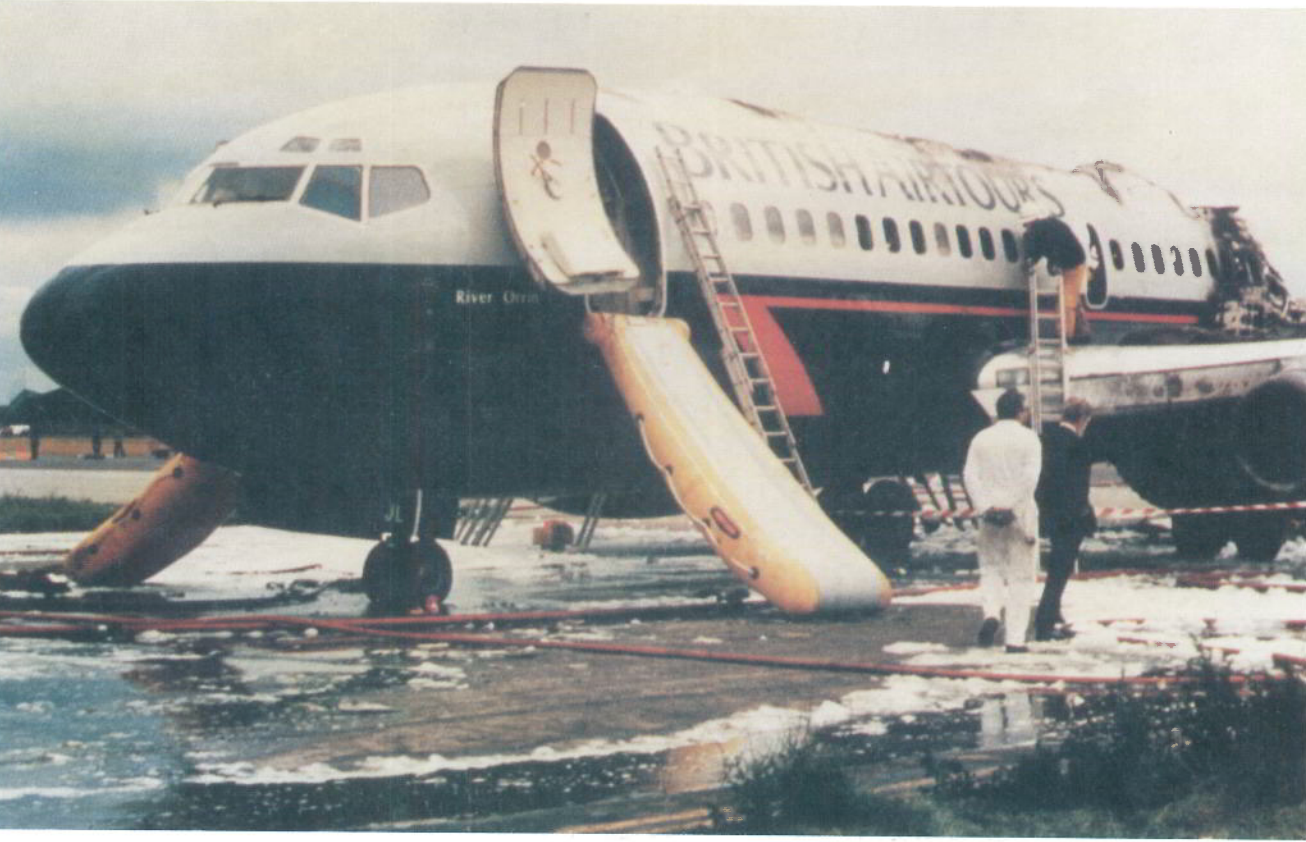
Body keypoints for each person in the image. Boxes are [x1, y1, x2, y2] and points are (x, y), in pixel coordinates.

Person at [963, 389, 1043, 652]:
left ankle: (991, 613)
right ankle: (1015, 639)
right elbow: (1029, 479)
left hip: (989, 516)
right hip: (1020, 514)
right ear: (1021, 410)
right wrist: (1009, 506)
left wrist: (986, 507)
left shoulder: (981, 438)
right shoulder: (1029, 439)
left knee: (991, 568)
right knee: (1021, 576)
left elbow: (970, 476)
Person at [1034, 398, 1095, 641]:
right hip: (1070, 518)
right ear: (1083, 419)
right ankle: (1045, 623)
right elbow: (1078, 487)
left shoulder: (1045, 440)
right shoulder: (1077, 445)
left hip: (1050, 514)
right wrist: (1084, 514)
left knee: (1056, 569)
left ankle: (1052, 613)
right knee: (1059, 572)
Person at [1022, 216, 1090, 343]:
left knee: (1066, 300)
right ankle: (1082, 332)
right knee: (1071, 296)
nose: (1026, 227)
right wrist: (1031, 260)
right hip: (1068, 261)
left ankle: (1066, 336)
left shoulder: (1050, 229)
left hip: (1074, 263)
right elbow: (1038, 250)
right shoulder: (1041, 230)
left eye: (1026, 224)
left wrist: (1053, 263)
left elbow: (1056, 246)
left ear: (1032, 221)